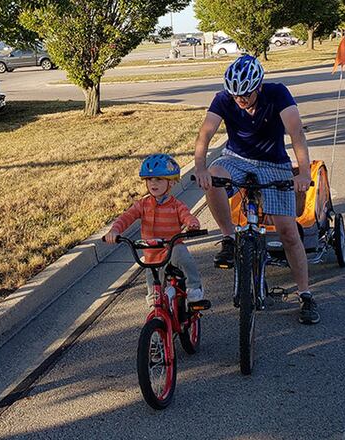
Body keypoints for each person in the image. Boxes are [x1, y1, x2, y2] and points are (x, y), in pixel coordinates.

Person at [193, 54, 319, 324]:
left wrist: (304, 172)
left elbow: (296, 132)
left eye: (246, 95)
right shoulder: (224, 99)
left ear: (259, 85)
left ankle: (305, 294)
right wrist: (200, 167)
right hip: (236, 159)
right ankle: (228, 237)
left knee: (287, 232)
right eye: (235, 94)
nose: (240, 100)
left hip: (274, 164)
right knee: (214, 176)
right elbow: (205, 133)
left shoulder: (277, 94)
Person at [104, 154, 204, 306]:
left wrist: (192, 224)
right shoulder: (142, 204)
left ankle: (194, 288)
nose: (153, 183)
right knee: (154, 297)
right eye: (149, 179)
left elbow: (187, 216)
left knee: (184, 257)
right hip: (151, 255)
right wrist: (115, 231)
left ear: (170, 183)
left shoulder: (175, 205)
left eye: (159, 179)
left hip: (172, 248)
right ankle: (157, 319)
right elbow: (126, 217)